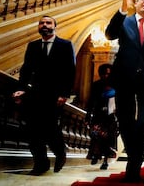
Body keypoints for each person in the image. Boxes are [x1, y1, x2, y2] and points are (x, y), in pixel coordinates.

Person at [105, 0, 144, 183]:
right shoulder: (125, 21)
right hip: (124, 78)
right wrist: (121, 10)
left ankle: (134, 164)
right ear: (136, 3)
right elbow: (109, 34)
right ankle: (133, 158)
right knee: (125, 120)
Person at [12, 15, 76, 175]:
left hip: (55, 95)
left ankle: (60, 153)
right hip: (35, 93)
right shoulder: (33, 46)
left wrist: (65, 93)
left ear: (55, 26)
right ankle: (41, 164)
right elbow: (26, 70)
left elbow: (70, 71)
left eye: (48, 23)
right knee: (33, 131)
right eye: (41, 23)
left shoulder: (65, 45)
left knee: (51, 129)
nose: (44, 25)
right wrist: (21, 89)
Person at [86, 63, 118, 170]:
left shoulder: (116, 86)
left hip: (110, 117)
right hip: (98, 116)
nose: (106, 76)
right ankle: (96, 154)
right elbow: (90, 101)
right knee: (96, 135)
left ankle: (105, 161)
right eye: (104, 74)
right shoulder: (96, 85)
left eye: (109, 74)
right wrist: (87, 116)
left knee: (107, 139)